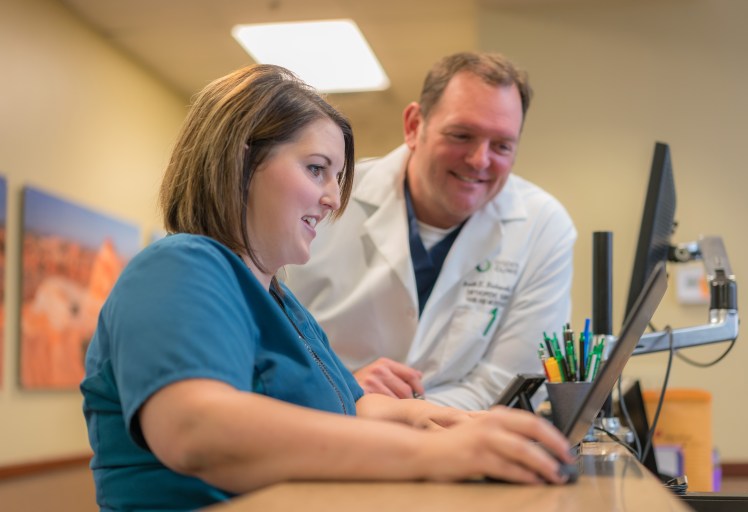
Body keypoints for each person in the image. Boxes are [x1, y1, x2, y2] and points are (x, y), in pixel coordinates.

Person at [80, 64, 574, 511]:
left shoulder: (281, 303)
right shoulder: (178, 266)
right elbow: (197, 431)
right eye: (317, 169)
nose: (334, 197)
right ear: (240, 160)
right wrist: (433, 452)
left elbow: (358, 405)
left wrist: (470, 427)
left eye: (337, 177)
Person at [286, 52, 577, 410]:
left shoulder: (543, 226)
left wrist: (393, 412)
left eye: (502, 145)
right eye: (461, 135)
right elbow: (271, 346)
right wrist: (342, 389)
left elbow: (509, 381)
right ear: (413, 125)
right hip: (324, 431)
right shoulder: (324, 198)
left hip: (454, 449)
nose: (480, 160)